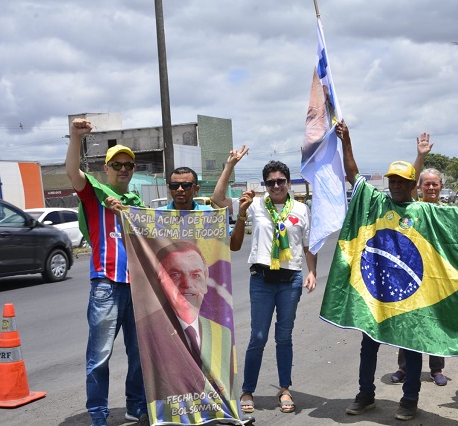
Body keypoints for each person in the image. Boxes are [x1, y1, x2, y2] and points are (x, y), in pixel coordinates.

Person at [335, 120, 458, 421]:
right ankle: (365, 394)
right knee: (369, 343)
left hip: (411, 296)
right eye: (392, 181)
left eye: (401, 182)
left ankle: (410, 399)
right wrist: (346, 141)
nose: (395, 185)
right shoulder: (378, 203)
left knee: (413, 344)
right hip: (377, 293)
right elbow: (353, 174)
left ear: (412, 185)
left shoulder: (424, 211)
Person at [212, 148, 317, 414]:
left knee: (284, 337)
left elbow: (308, 246)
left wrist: (312, 271)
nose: (276, 185)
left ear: (288, 182)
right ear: (265, 185)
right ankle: (248, 390)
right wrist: (229, 164)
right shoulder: (254, 204)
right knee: (257, 337)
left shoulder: (302, 209)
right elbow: (217, 199)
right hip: (261, 279)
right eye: (271, 182)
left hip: (290, 280)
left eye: (281, 180)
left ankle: (284, 389)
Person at [65, 118, 146, 426]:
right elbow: (74, 172)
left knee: (140, 356)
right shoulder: (95, 196)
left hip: (137, 289)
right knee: (99, 356)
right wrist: (76, 137)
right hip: (106, 287)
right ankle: (98, 415)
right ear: (107, 169)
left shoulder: (137, 205)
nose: (123, 169)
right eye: (117, 164)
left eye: (129, 164)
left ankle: (135, 406)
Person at [138, 242, 233, 401]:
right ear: (159, 281)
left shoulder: (222, 334)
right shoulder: (148, 331)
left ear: (205, 280)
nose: (187, 285)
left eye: (196, 275)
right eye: (175, 275)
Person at [390, 146, 450, 386]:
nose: (432, 188)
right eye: (427, 184)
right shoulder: (414, 208)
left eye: (435, 184)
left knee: (435, 322)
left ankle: (437, 369)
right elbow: (409, 182)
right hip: (413, 275)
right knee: (409, 322)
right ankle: (404, 368)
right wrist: (421, 156)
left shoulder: (448, 212)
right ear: (420, 188)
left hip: (438, 277)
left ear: (441, 187)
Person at [158, 165, 254, 251]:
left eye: (186, 185)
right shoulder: (156, 216)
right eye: (174, 186)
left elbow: (234, 245)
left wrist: (242, 213)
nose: (179, 189)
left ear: (196, 189)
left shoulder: (210, 215)